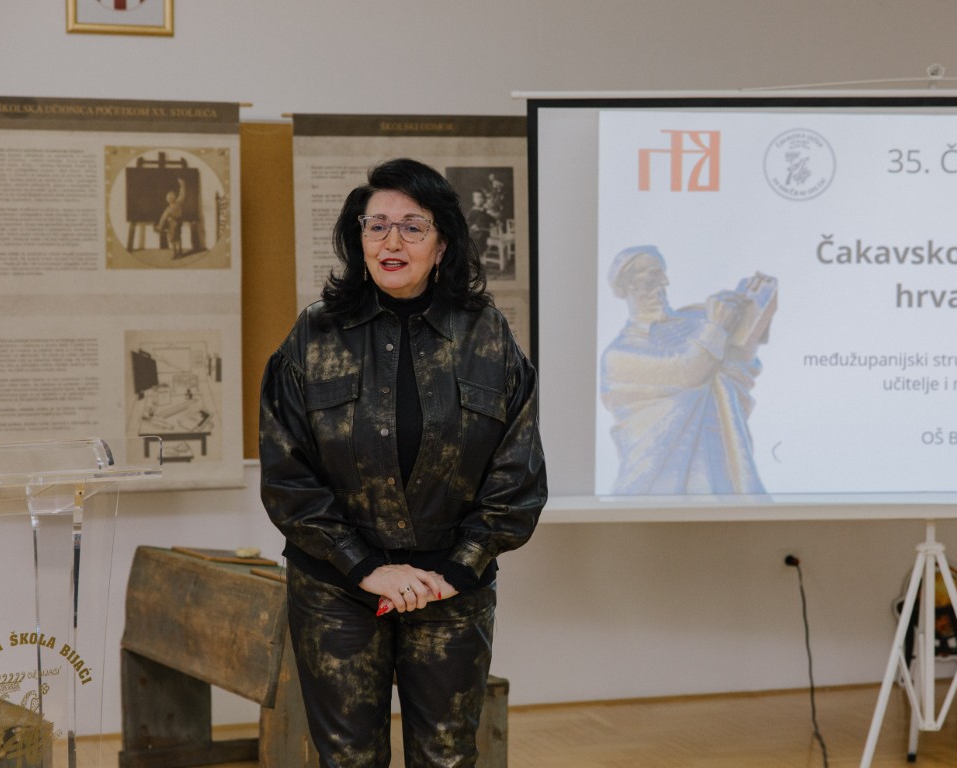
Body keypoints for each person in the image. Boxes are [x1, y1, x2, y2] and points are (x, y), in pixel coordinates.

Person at [259, 158, 547, 768]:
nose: (392, 242)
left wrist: (459, 566)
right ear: (358, 238)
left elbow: (517, 472)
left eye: (413, 227)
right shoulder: (314, 335)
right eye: (377, 226)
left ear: (442, 245)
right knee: (349, 758)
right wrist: (365, 566)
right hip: (337, 589)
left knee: (447, 756)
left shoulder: (487, 335)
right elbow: (287, 476)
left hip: (451, 587)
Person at [599, 245, 776, 495]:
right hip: (663, 480)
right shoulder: (619, 355)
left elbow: (738, 368)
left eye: (663, 273)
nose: (665, 281)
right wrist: (717, 325)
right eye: (654, 275)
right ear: (630, 285)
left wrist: (752, 312)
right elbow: (686, 371)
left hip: (722, 460)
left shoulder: (697, 319)